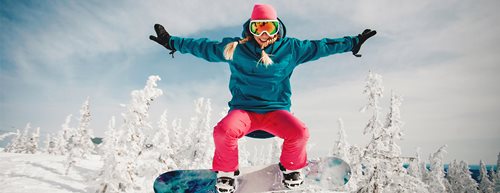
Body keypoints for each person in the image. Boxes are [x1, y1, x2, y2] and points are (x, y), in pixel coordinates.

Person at [150, 3, 376, 193]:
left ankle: (290, 169)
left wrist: (352, 42)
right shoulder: (235, 48)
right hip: (244, 111)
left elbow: (322, 46)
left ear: (278, 28)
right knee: (223, 131)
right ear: (251, 29)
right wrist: (172, 42)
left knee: (299, 133)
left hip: (276, 112)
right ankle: (227, 174)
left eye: (269, 27)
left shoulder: (291, 49)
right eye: (259, 27)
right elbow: (202, 47)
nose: (264, 34)